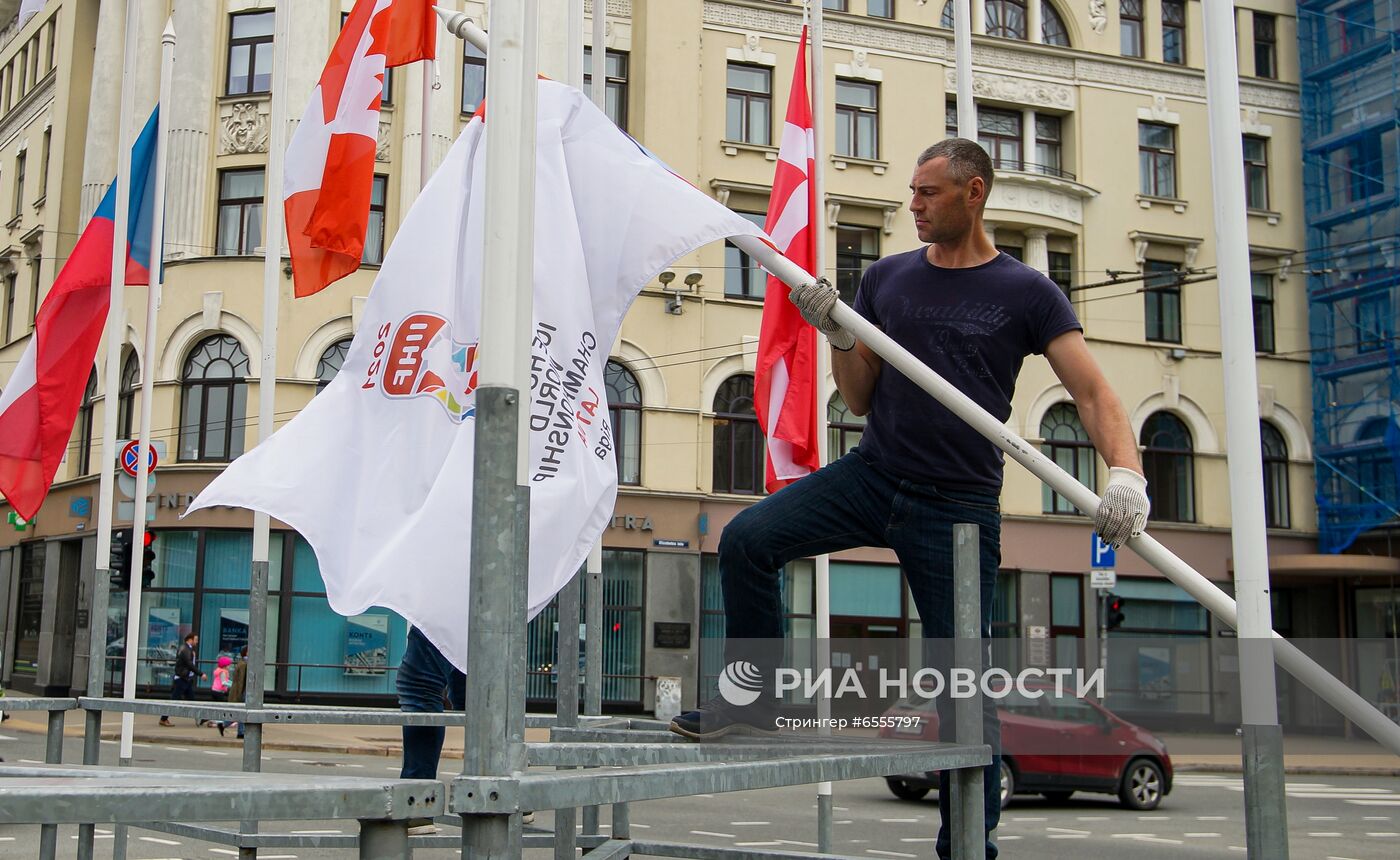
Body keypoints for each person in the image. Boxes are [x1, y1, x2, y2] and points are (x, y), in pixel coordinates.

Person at [669, 138, 1149, 860]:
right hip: (873, 474)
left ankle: (967, 845)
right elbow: (860, 396)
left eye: (928, 193)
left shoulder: (1026, 291)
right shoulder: (888, 280)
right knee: (747, 541)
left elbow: (1091, 391)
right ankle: (758, 702)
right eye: (913, 192)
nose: (914, 205)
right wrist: (837, 334)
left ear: (974, 193)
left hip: (957, 506)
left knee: (964, 689)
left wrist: (1127, 472)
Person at [395, 626, 532, 833]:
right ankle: (510, 789)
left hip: (449, 605)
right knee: (477, 694)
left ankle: (418, 802)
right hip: (490, 610)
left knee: (421, 687)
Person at [160, 632, 206, 727]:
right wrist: (201, 674)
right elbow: (189, 664)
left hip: (186, 678)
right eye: (196, 640)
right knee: (174, 700)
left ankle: (199, 718)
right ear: (190, 639)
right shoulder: (186, 650)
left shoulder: (186, 649)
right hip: (182, 679)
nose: (197, 642)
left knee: (191, 699)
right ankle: (163, 719)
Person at [227, 645, 248, 739]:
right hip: (242, 691)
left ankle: (224, 724)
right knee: (242, 712)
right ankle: (241, 732)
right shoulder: (244, 664)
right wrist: (239, 694)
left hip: (242, 690)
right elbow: (241, 680)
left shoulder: (243, 663)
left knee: (241, 712)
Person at [211, 655, 233, 736]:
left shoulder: (218, 670)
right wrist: (233, 685)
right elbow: (224, 682)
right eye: (228, 665)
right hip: (219, 691)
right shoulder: (223, 672)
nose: (229, 666)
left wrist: (231, 682)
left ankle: (216, 721)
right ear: (225, 665)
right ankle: (219, 722)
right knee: (222, 707)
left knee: (217, 706)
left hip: (214, 690)